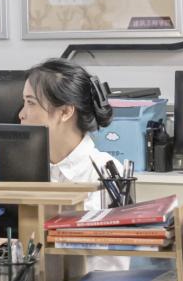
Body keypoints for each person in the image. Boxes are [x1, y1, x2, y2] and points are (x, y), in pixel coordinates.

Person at [19, 58, 122, 210]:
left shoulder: (104, 173)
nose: (21, 114)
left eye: (31, 103)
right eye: (24, 102)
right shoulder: (22, 168)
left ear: (65, 112)